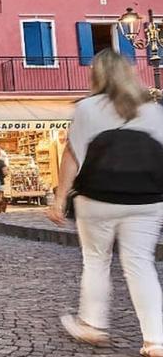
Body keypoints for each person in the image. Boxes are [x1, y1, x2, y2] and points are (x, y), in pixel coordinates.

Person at [47, 50, 163, 356]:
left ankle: (92, 324)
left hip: (98, 197)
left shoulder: (87, 107)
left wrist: (59, 199)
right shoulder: (152, 108)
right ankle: (155, 339)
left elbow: (72, 156)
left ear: (96, 75)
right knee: (140, 265)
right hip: (147, 199)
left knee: (97, 260)